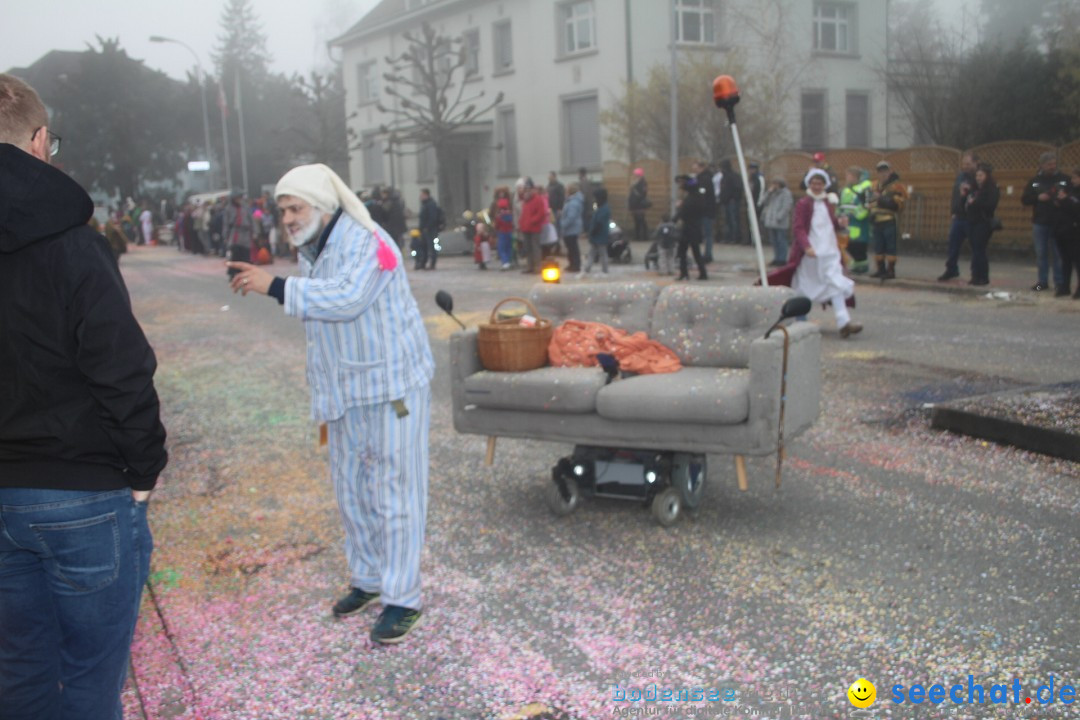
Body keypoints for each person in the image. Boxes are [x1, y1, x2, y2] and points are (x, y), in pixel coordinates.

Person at [0, 72, 167, 717]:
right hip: (82, 489)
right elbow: (121, 368)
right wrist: (144, 469)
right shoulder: (75, 245)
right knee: (92, 683)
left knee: (22, 677)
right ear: (40, 141)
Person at [226, 163, 434, 644]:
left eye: (296, 208)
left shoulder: (368, 239)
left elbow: (346, 299)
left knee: (394, 494)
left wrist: (273, 286)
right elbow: (322, 312)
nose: (289, 219)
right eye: (282, 211)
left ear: (322, 205)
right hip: (344, 393)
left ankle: (402, 598)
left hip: (392, 388)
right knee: (353, 491)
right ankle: (368, 580)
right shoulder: (313, 247)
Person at [790, 168, 862, 338]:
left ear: (825, 185)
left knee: (835, 283)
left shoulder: (827, 203)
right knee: (804, 286)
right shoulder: (803, 204)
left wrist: (841, 223)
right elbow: (798, 227)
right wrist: (806, 246)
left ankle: (843, 322)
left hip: (829, 251)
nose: (817, 186)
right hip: (811, 253)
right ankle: (800, 321)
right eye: (814, 183)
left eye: (820, 183)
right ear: (809, 184)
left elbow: (831, 225)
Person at [1021, 152, 1070, 294]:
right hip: (1040, 222)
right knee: (1041, 253)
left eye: (1054, 164)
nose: (1052, 167)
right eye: (1049, 164)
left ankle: (1060, 283)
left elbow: (1072, 195)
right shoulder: (1035, 180)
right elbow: (1025, 199)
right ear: (1042, 165)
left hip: (1058, 222)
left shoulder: (1064, 179)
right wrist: (1038, 198)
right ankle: (1041, 283)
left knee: (1058, 254)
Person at [939, 152, 978, 281]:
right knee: (953, 245)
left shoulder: (979, 177)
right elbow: (955, 195)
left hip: (972, 217)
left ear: (975, 163)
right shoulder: (960, 177)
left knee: (976, 247)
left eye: (968, 164)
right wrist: (953, 212)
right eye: (963, 164)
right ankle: (951, 269)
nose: (965, 166)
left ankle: (976, 274)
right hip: (959, 216)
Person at [869, 160, 907, 279]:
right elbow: (868, 200)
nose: (883, 174)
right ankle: (881, 269)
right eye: (880, 172)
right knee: (878, 246)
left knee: (890, 246)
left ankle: (891, 271)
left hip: (889, 220)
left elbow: (897, 205)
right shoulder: (873, 185)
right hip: (876, 220)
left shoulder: (897, 186)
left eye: (885, 171)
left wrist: (880, 198)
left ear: (890, 171)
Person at [963, 162, 1000, 286]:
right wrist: (966, 197)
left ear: (987, 176)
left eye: (981, 175)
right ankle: (975, 276)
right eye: (977, 175)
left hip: (983, 222)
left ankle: (983, 277)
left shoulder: (992, 188)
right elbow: (967, 203)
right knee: (974, 250)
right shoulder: (974, 188)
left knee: (980, 249)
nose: (978, 178)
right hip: (972, 221)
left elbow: (991, 205)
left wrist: (975, 202)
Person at [673, 174, 709, 281]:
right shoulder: (696, 196)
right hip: (694, 228)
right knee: (695, 252)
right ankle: (702, 273)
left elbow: (684, 212)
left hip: (689, 228)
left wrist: (678, 210)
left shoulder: (691, 198)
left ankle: (685, 273)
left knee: (683, 251)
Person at [838, 167, 873, 274]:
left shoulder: (863, 189)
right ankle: (855, 265)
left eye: (849, 176)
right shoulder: (845, 189)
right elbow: (841, 204)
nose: (847, 178)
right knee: (849, 245)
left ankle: (862, 266)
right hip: (847, 222)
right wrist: (839, 215)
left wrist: (856, 214)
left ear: (855, 177)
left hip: (858, 223)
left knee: (859, 246)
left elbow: (866, 206)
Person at [1052, 167, 1080, 298]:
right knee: (1065, 260)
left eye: (1075, 178)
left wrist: (1066, 200)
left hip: (1075, 231)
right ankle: (1065, 286)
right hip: (1063, 230)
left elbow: (1075, 207)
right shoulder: (1072, 189)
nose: (1072, 180)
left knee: (1077, 261)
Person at [760, 177, 794, 266]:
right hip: (770, 221)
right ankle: (776, 257)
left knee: (781, 240)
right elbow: (762, 202)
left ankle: (782, 258)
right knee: (773, 241)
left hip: (780, 222)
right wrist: (769, 192)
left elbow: (786, 206)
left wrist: (779, 217)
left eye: (775, 184)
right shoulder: (772, 194)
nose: (774, 186)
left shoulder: (786, 193)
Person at [518, 178, 547, 274]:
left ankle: (537, 266)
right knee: (528, 248)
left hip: (534, 227)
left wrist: (532, 221)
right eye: (526, 189)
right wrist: (521, 224)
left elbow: (541, 213)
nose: (527, 191)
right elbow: (523, 214)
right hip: (526, 227)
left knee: (535, 247)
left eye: (529, 189)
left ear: (533, 189)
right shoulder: (525, 200)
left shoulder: (538, 199)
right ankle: (530, 266)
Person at [582, 187, 611, 275]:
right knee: (593, 253)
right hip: (598, 235)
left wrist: (592, 232)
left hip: (599, 234)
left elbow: (598, 222)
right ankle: (588, 268)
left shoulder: (604, 209)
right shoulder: (602, 207)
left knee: (601, 253)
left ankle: (604, 269)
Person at [692, 160, 717, 260]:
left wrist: (698, 194)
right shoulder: (700, 178)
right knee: (705, 233)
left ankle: (708, 254)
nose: (694, 169)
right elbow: (692, 183)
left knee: (708, 233)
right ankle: (706, 253)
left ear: (701, 167)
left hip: (707, 210)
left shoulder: (705, 178)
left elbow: (703, 192)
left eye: (696, 167)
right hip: (704, 210)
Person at [560, 182, 584, 273]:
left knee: (572, 247)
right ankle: (572, 264)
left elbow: (571, 217)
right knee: (571, 247)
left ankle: (575, 264)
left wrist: (563, 224)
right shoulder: (571, 201)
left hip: (571, 229)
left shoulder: (573, 202)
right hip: (571, 228)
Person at [718, 159, 743, 245]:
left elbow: (737, 188)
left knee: (733, 220)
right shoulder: (724, 177)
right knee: (727, 220)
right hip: (726, 201)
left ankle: (735, 238)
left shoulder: (733, 176)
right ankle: (728, 237)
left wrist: (733, 198)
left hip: (732, 201)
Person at [417, 188, 440, 270]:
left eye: (422, 195)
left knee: (431, 247)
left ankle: (432, 263)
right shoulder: (424, 204)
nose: (420, 197)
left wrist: (427, 227)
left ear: (426, 195)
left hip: (430, 229)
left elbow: (432, 217)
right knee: (424, 247)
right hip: (424, 229)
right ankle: (423, 263)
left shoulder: (431, 204)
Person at [491, 190, 515, 269]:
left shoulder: (499, 216)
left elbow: (497, 225)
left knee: (502, 248)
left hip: (502, 233)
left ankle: (505, 262)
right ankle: (509, 261)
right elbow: (512, 224)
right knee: (509, 247)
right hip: (510, 232)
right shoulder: (510, 214)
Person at [628, 167, 650, 242]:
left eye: (636, 175)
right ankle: (637, 236)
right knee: (636, 221)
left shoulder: (643, 182)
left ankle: (645, 236)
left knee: (642, 220)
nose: (634, 176)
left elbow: (643, 194)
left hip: (640, 205)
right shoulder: (634, 182)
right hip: (634, 205)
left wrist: (634, 189)